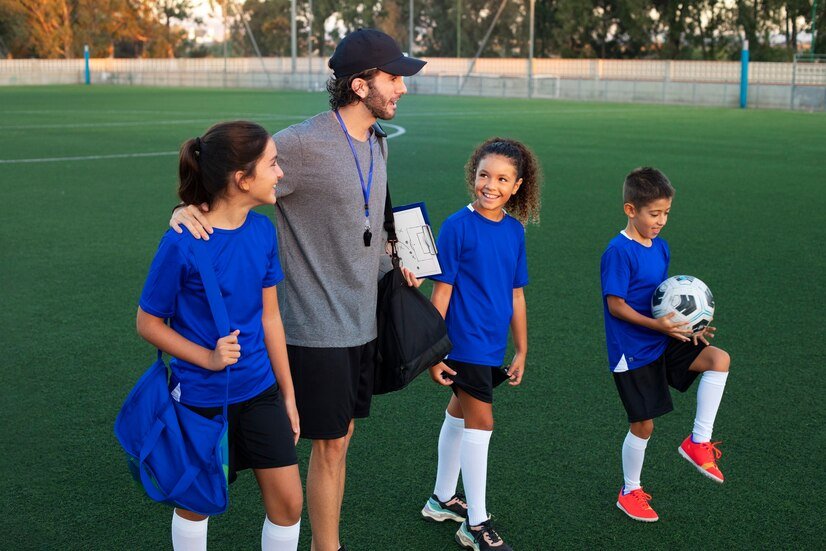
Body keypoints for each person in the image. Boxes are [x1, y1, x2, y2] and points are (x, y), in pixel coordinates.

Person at [169, 30, 425, 551]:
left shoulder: (376, 141)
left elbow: (363, 224)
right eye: (393, 78)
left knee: (341, 440)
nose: (402, 88)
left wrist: (392, 259)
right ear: (360, 85)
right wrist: (189, 208)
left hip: (363, 321)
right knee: (328, 444)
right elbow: (232, 172)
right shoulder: (304, 143)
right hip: (316, 327)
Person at [138, 121, 303, 550]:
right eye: (272, 163)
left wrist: (287, 393)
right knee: (197, 503)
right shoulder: (181, 242)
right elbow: (148, 323)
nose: (280, 172)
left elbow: (270, 318)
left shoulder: (263, 230)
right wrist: (208, 358)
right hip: (202, 399)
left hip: (260, 389)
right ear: (241, 179)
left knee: (289, 504)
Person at [423, 138, 542, 551]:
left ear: (517, 185)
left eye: (502, 178)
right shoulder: (457, 226)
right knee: (482, 424)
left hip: (491, 346)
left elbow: (516, 295)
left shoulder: (513, 231)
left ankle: (440, 499)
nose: (491, 184)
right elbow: (441, 294)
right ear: (474, 175)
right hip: (461, 345)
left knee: (459, 414)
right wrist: (433, 351)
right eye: (484, 175)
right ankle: (475, 522)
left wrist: (521, 349)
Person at [600, 167, 731, 523]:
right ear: (631, 210)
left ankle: (698, 442)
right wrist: (657, 325)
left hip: (663, 338)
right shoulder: (618, 251)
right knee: (644, 426)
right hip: (633, 351)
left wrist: (690, 326)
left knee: (718, 359)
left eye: (666, 213)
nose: (660, 221)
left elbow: (661, 297)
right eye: (653, 214)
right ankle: (629, 491)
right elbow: (616, 305)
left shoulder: (660, 247)